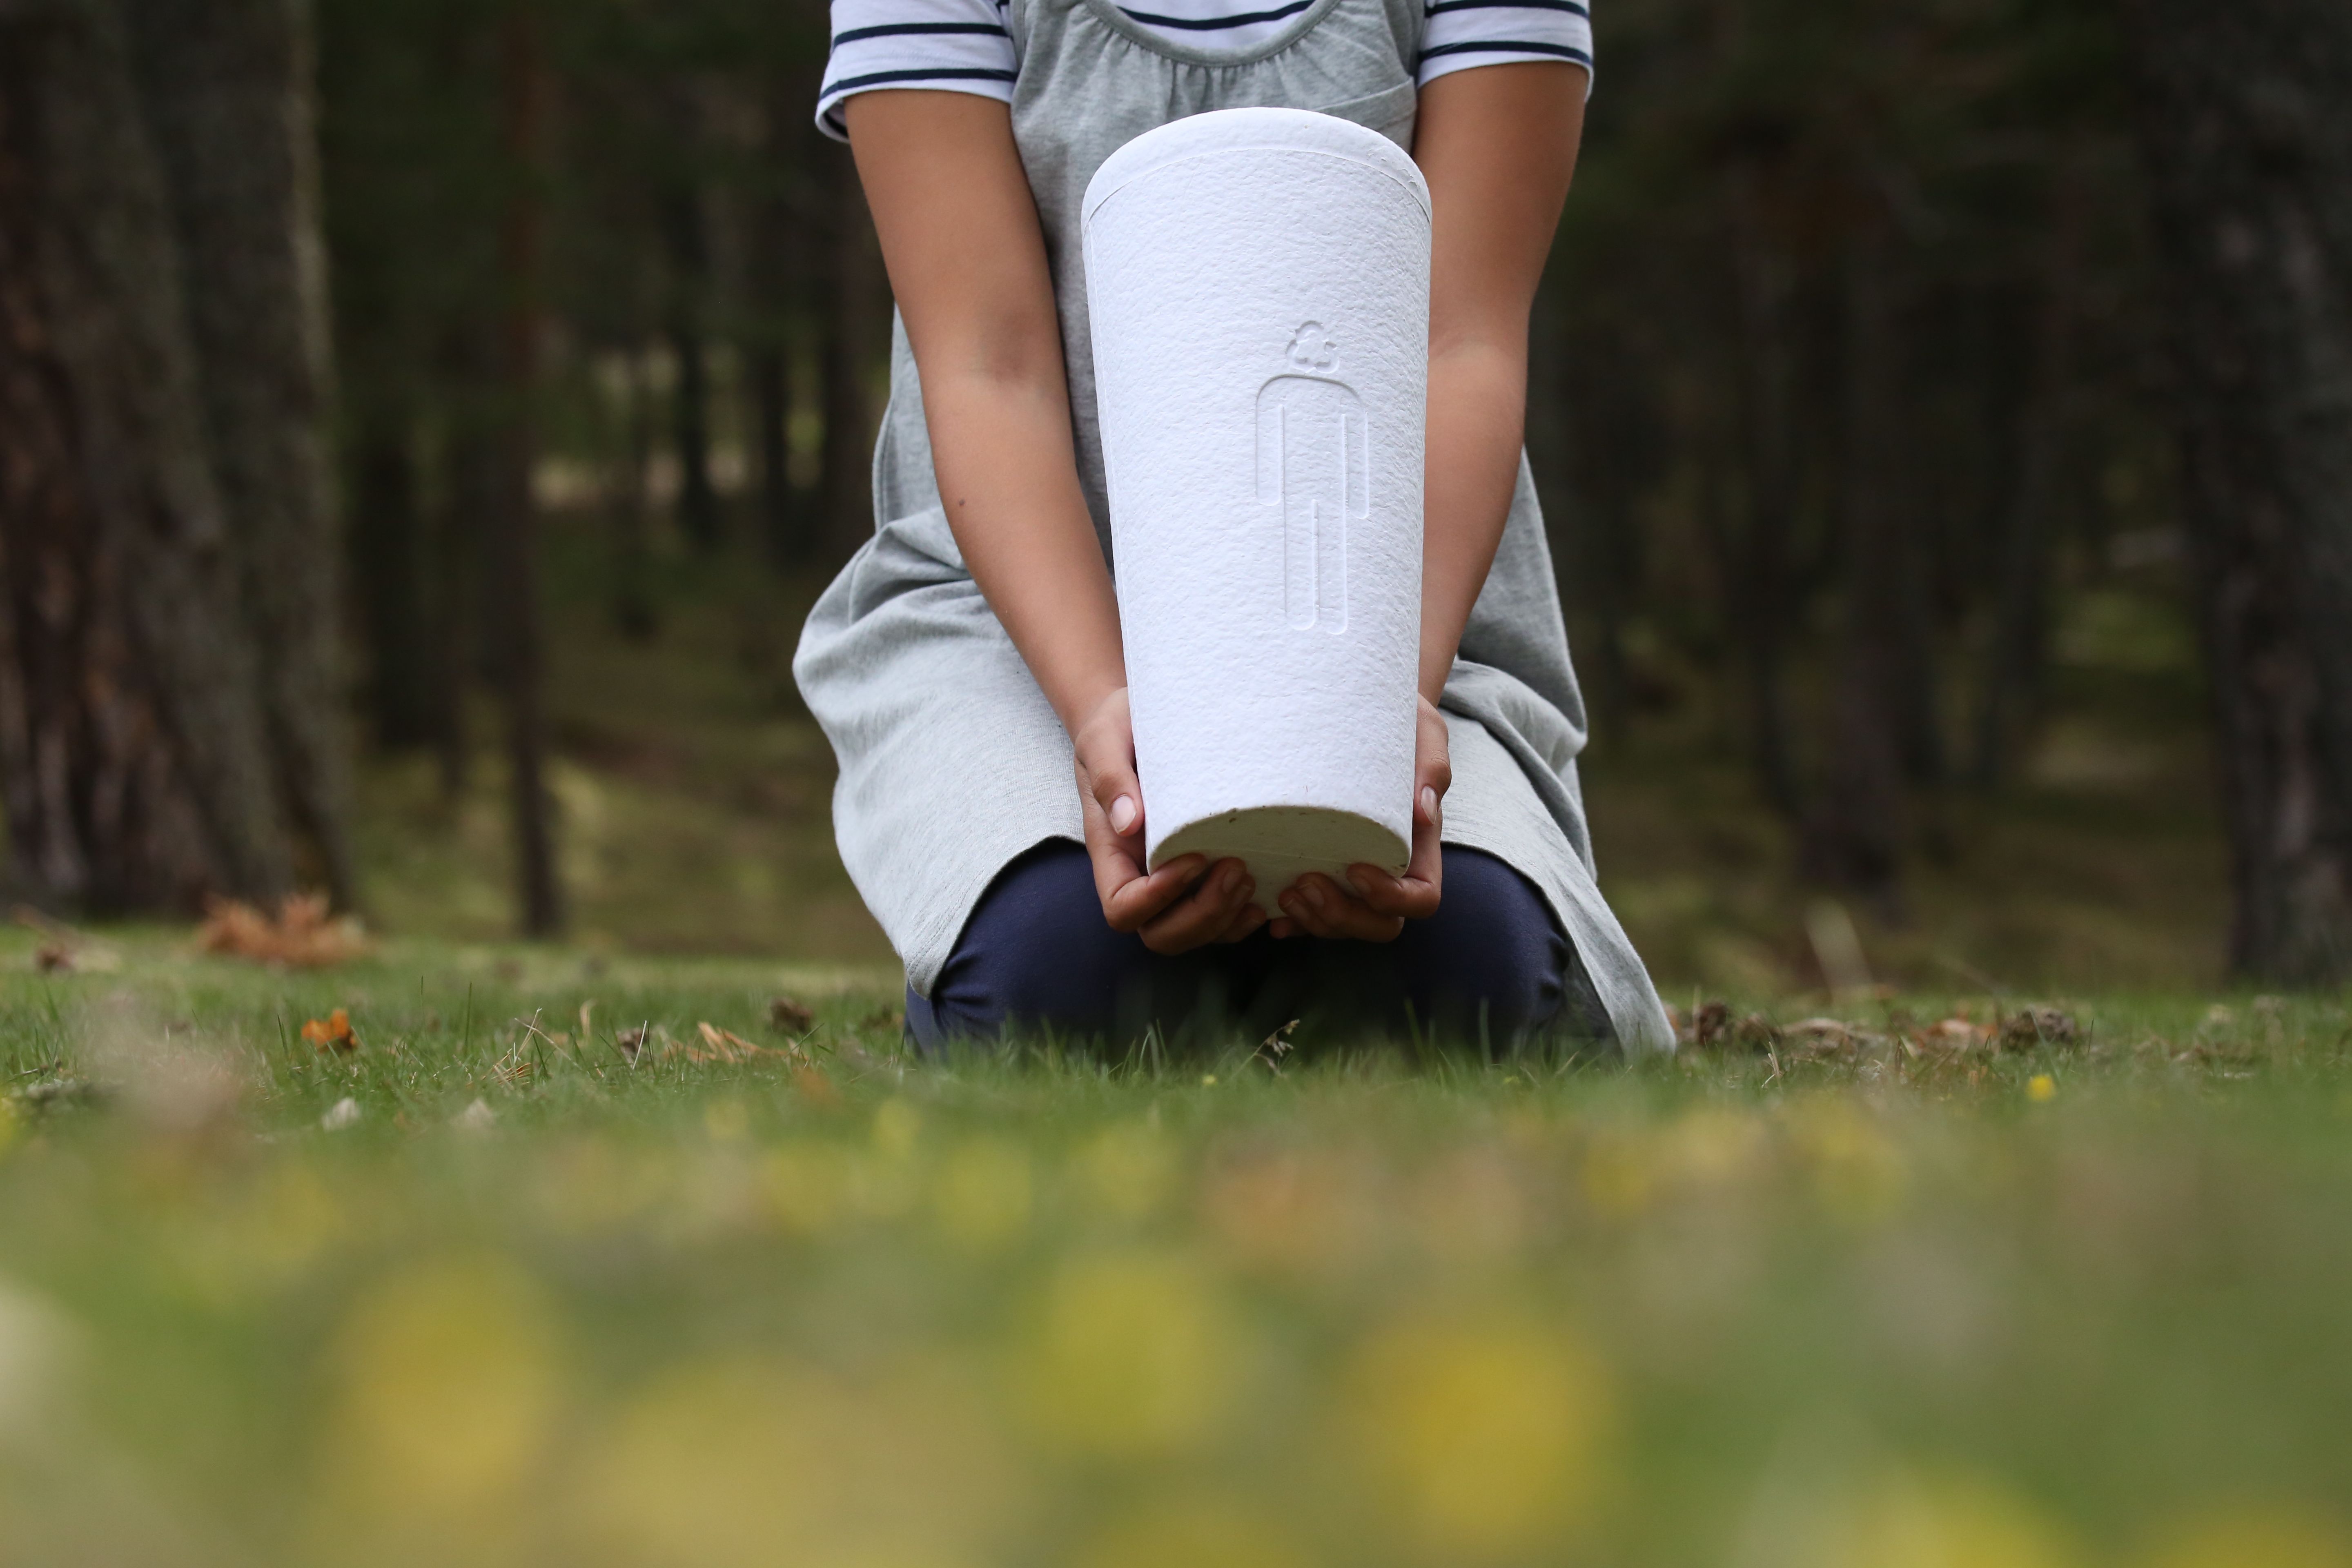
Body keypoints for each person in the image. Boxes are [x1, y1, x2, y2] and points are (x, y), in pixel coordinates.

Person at [793, 0, 1675, 1054]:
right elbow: (992, 365)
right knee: (1049, 971)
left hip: (1406, 632)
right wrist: (1101, 712)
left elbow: (1461, 345)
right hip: (1014, 628)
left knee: (1473, 966)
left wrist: (1374, 717)